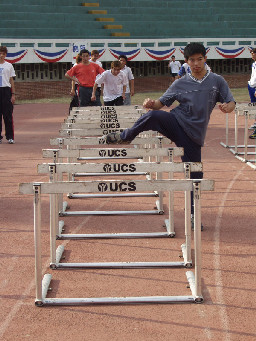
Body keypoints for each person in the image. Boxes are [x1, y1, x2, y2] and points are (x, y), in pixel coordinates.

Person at [103, 43, 236, 228]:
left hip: (194, 135)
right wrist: (150, 103)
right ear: (186, 61)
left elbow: (231, 102)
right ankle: (126, 136)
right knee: (153, 116)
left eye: (199, 59)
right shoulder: (180, 83)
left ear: (205, 59)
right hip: (176, 123)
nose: (196, 63)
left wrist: (227, 107)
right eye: (192, 60)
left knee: (195, 175)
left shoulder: (216, 81)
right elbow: (161, 103)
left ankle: (193, 215)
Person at [0, 46, 16, 144]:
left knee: (8, 115)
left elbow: (11, 80)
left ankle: (10, 136)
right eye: (0, 53)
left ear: (6, 55)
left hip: (6, 91)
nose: (1, 55)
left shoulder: (9, 65)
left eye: (3, 54)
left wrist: (13, 94)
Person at [247, 48, 256, 138]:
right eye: (251, 54)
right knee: (254, 106)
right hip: (251, 86)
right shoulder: (254, 64)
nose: (252, 55)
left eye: (253, 53)